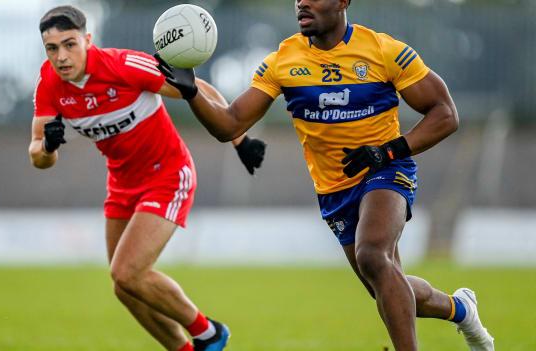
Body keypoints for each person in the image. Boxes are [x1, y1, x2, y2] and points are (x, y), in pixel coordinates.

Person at [155, 0, 495, 350]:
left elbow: (445, 114)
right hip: (333, 190)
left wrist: (388, 151)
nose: (302, 2)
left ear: (343, 2)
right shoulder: (283, 61)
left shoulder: (384, 50)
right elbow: (229, 125)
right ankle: (460, 308)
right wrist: (191, 92)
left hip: (386, 170)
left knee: (373, 256)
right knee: (385, 282)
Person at [28, 6, 265, 351]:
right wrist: (47, 147)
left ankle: (209, 334)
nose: (62, 57)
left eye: (70, 44)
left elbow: (197, 89)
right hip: (122, 184)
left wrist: (239, 139)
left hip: (168, 174)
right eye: (52, 49)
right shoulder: (49, 84)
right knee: (124, 286)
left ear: (87, 40)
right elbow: (38, 156)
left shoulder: (122, 65)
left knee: (127, 272)